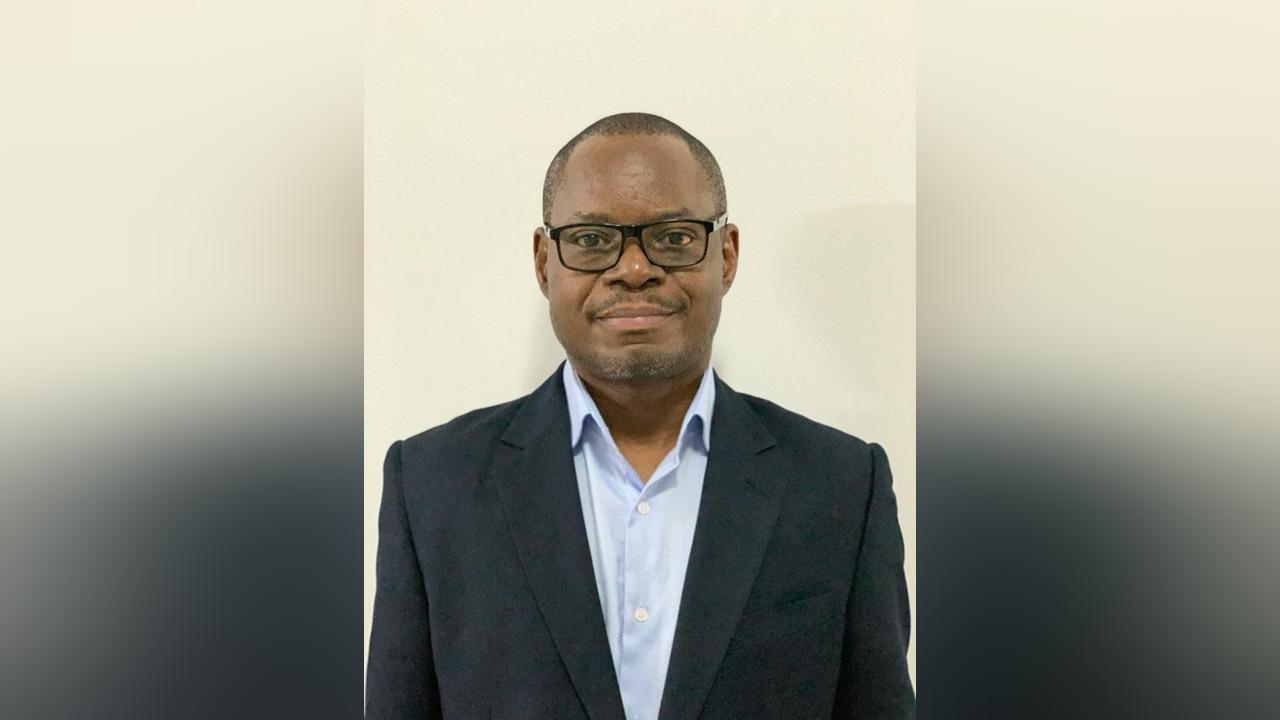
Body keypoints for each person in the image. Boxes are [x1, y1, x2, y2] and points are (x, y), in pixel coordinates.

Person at [366, 112, 915, 719]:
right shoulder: (433, 484)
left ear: (727, 256)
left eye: (675, 238)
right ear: (544, 263)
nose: (633, 270)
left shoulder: (841, 485)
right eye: (591, 239)